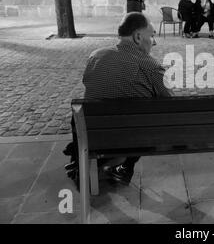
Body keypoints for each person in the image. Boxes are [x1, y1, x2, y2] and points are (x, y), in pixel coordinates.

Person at [64, 12, 173, 187]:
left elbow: (89, 84)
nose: (154, 41)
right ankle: (125, 167)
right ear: (138, 36)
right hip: (133, 139)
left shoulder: (95, 56)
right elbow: (170, 104)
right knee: (146, 119)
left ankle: (78, 156)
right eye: (152, 36)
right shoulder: (151, 66)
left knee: (81, 112)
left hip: (93, 135)